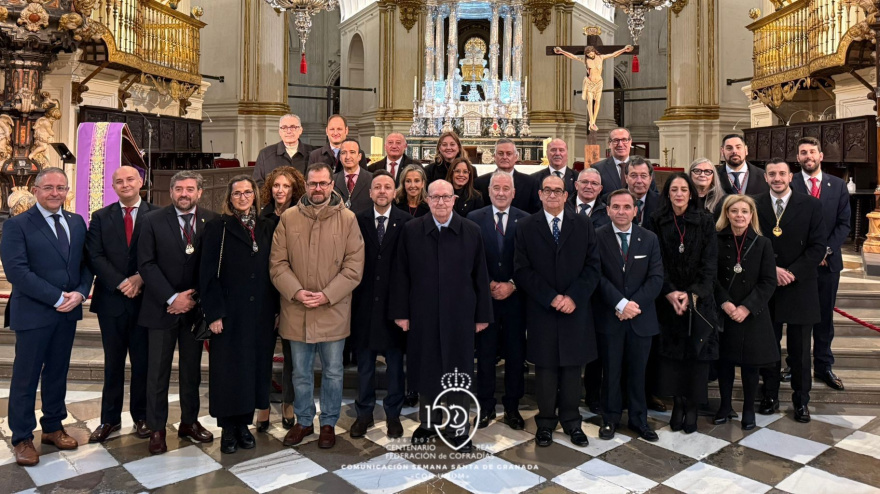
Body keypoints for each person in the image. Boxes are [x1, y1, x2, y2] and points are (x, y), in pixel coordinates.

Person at [390, 179, 493, 451]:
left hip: (460, 314)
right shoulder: (412, 230)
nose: (440, 202)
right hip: (422, 313)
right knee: (427, 369)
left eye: (446, 197)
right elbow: (401, 274)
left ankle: (458, 426)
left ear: (454, 200)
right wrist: (401, 313)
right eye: (435, 197)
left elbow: (480, 276)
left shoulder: (470, 230)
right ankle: (428, 422)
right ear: (427, 200)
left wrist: (482, 315)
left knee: (458, 372)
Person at [1, 167, 93, 466]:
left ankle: (53, 426)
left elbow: (85, 264)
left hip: (68, 311)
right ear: (36, 191)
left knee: (57, 373)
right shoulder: (17, 225)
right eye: (49, 187)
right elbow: (17, 271)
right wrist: (56, 298)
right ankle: (22, 437)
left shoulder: (77, 222)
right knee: (26, 377)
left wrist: (80, 292)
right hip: (34, 312)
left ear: (68, 191)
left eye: (61, 187)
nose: (55, 193)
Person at [270, 162, 365, 449]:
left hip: (332, 309)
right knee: (300, 371)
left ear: (331, 185)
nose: (318, 188)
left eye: (323, 183)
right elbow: (277, 263)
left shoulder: (347, 219)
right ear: (306, 185)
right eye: (313, 184)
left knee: (334, 371)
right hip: (296, 309)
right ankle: (303, 420)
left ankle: (328, 423)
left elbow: (354, 266)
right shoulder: (288, 218)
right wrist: (297, 292)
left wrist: (326, 295)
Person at [514, 174, 600, 448]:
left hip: (575, 309)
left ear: (566, 195)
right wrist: (551, 297)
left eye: (558, 191)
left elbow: (593, 266)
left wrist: (573, 297)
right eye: (547, 190)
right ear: (539, 194)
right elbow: (522, 269)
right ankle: (546, 422)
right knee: (546, 370)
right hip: (543, 309)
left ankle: (572, 422)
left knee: (573, 369)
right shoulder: (526, 226)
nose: (552, 195)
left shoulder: (584, 224)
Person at [138, 170, 219, 455]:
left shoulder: (213, 220)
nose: (185, 194)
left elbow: (214, 266)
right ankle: (157, 428)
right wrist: (172, 297)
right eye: (179, 189)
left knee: (191, 372)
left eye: (190, 189)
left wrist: (192, 297)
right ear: (171, 192)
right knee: (157, 372)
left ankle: (189, 422)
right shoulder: (151, 220)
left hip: (195, 310)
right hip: (161, 307)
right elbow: (146, 264)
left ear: (200, 192)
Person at [199, 176, 278, 454]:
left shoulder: (268, 226)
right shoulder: (218, 228)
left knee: (253, 370)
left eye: (247, 193)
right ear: (229, 198)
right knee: (228, 371)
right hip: (229, 313)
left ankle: (244, 425)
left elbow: (276, 269)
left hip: (260, 314)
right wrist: (214, 314)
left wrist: (277, 310)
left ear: (255, 195)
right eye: (237, 194)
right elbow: (207, 275)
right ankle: (228, 429)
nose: (243, 198)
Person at [86, 166, 158, 443]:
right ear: (113, 186)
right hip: (112, 301)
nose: (125, 184)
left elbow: (163, 253)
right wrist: (121, 283)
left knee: (143, 363)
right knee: (113, 363)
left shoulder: (158, 214)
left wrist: (140, 278)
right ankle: (109, 420)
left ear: (141, 182)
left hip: (145, 301)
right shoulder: (101, 217)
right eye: (119, 181)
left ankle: (141, 417)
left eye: (130, 179)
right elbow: (94, 255)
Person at [756, 158, 826, 423]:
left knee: (799, 350)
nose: (777, 178)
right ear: (765, 178)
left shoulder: (811, 205)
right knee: (769, 346)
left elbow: (818, 246)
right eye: (772, 174)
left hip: (800, 286)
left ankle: (801, 401)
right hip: (767, 285)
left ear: (790, 176)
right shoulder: (755, 204)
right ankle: (770, 395)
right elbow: (750, 241)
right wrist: (772, 270)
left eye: (782, 173)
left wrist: (792, 272)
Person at [593, 189, 663, 441]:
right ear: (608, 210)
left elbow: (656, 278)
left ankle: (638, 419)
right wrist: (620, 303)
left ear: (636, 210)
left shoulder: (650, 238)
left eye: (626, 207)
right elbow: (596, 275)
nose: (621, 212)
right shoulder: (597, 236)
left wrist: (633, 305)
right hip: (610, 316)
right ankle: (609, 419)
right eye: (616, 207)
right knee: (610, 371)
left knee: (638, 372)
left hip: (640, 319)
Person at [651, 172, 718, 434]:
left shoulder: (705, 221)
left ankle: (691, 406)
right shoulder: (657, 221)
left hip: (699, 301)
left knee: (696, 357)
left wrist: (691, 295)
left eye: (683, 189)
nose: (679, 194)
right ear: (667, 194)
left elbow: (710, 263)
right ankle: (677, 404)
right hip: (667, 302)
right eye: (674, 190)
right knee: (672, 359)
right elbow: (657, 262)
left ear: (691, 193)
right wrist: (670, 292)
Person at [350, 170, 412, 440]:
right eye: (378, 187)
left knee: (395, 365)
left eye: (388, 186)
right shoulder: (357, 220)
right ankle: (363, 413)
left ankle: (393, 414)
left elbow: (410, 267)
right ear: (370, 192)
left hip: (394, 305)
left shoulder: (407, 222)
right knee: (364, 364)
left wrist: (404, 308)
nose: (383, 191)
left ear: (394, 192)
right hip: (363, 304)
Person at [467, 172, 529, 430]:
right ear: (489, 191)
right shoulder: (473, 219)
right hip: (486, 300)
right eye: (496, 188)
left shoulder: (525, 220)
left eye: (506, 188)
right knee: (486, 355)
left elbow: (530, 260)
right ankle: (485, 406)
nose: (501, 193)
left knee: (516, 356)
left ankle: (513, 407)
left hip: (516, 300)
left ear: (513, 192)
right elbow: (470, 260)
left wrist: (512, 284)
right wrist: (489, 283)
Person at [790, 137, 850, 391]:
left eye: (812, 152)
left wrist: (824, 250)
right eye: (803, 152)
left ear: (821, 155)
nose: (808, 156)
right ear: (798, 158)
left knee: (824, 318)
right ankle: (795, 364)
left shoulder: (837, 185)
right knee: (797, 318)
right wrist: (810, 255)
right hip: (799, 264)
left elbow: (844, 223)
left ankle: (823, 364)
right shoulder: (789, 183)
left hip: (828, 264)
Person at [713, 195, 778, 431]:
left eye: (744, 211)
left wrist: (746, 307)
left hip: (752, 314)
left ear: (752, 215)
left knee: (751, 366)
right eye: (734, 211)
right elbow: (711, 277)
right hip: (725, 312)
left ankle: (749, 409)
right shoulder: (716, 240)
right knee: (725, 363)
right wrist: (726, 304)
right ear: (727, 213)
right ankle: (725, 406)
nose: (739, 215)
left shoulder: (763, 244)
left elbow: (768, 281)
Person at [256, 165, 306, 430]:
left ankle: (289, 405)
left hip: (291, 294)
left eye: (286, 186)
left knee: (292, 359)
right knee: (263, 356)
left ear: (294, 189)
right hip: (265, 295)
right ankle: (262, 408)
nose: (280, 190)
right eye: (276, 185)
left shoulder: (301, 216)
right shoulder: (261, 217)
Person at [553, 44, 633, 131]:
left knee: (597, 101)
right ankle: (591, 121)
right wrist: (561, 51)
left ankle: (593, 121)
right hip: (590, 82)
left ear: (594, 51)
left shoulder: (601, 57)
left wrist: (624, 50)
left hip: (598, 82)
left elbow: (613, 54)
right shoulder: (586, 60)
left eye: (591, 54)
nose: (590, 56)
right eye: (588, 55)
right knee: (590, 101)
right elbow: (573, 57)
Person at [474, 139, 538, 213]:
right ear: (494, 156)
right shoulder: (479, 183)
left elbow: (534, 213)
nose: (504, 157)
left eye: (509, 154)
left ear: (516, 157)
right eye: (500, 153)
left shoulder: (530, 183)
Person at [590, 128, 657, 198]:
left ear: (630, 142)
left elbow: (653, 196)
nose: (620, 144)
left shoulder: (645, 167)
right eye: (616, 140)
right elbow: (595, 198)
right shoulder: (597, 169)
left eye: (624, 140)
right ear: (609, 144)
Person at [254, 114, 315, 185]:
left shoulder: (313, 153)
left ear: (300, 130)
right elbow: (257, 183)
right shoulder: (265, 154)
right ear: (279, 131)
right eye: (284, 127)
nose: (289, 131)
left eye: (293, 127)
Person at [334, 138, 374, 214]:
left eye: (352, 152)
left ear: (359, 156)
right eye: (343, 153)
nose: (348, 157)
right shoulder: (332, 180)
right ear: (340, 157)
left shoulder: (372, 179)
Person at [625, 157, 660, 233]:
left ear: (650, 179)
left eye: (643, 176)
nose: (639, 181)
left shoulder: (661, 202)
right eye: (634, 175)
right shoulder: (613, 200)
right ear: (626, 178)